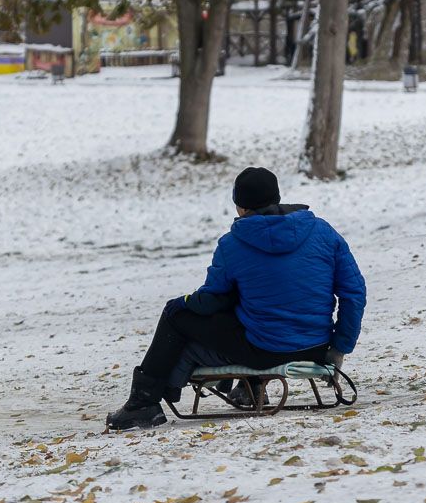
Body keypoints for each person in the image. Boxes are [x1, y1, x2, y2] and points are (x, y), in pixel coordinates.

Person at [106, 167, 366, 430]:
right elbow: (354, 292)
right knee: (254, 301)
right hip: (317, 346)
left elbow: (212, 301)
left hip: (264, 350)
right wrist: (339, 346)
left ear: (240, 206)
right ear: (276, 197)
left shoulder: (232, 244)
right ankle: (247, 387)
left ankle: (143, 403)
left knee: (176, 313)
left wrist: (185, 302)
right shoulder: (323, 231)